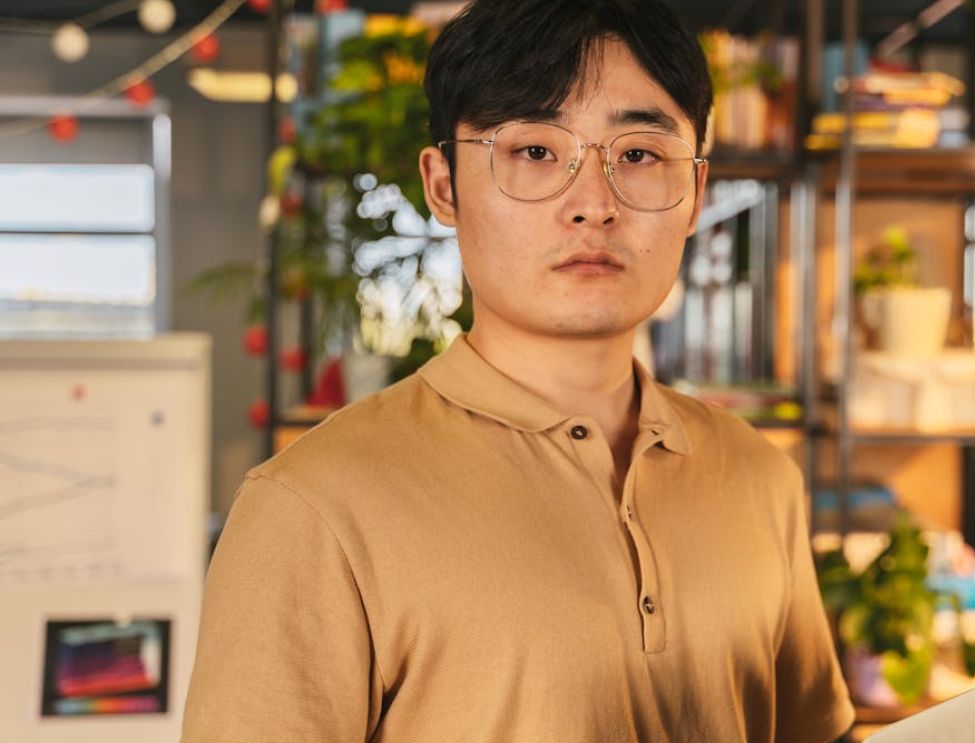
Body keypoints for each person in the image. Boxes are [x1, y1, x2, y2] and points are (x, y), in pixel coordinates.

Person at [180, 0, 853, 740]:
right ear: (443, 186)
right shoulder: (312, 506)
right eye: (533, 151)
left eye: (638, 154)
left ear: (695, 190)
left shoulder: (760, 476)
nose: (592, 205)